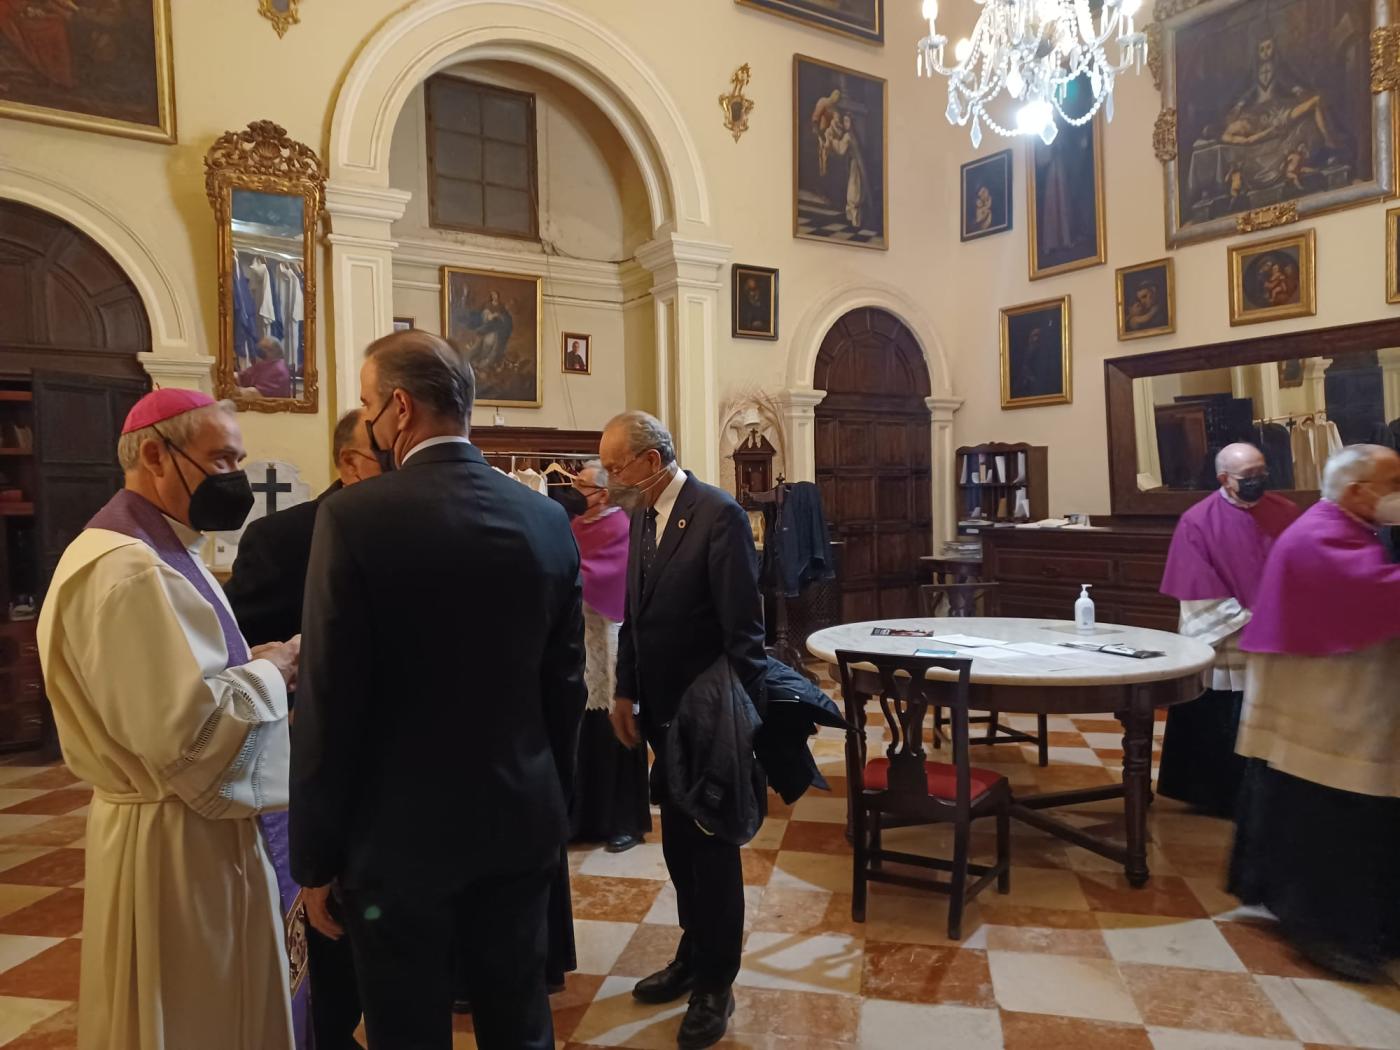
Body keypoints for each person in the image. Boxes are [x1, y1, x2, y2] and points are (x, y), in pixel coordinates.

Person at [291, 330, 586, 1050]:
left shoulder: (353, 517)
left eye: (368, 407)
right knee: (519, 1019)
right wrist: (553, 806)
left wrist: (315, 858)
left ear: (399, 408)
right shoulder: (547, 518)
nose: (368, 422)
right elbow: (565, 685)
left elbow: (330, 699)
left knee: (407, 1028)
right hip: (519, 817)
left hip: (396, 838)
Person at [37, 388, 301, 1050]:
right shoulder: (130, 569)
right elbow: (189, 739)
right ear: (155, 455)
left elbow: (176, 686)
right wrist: (277, 671)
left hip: (185, 828)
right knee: (193, 1011)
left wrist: (249, 663)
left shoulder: (161, 549)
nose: (234, 477)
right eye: (221, 460)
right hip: (176, 840)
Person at [603, 411, 765, 1050]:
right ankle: (693, 954)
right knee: (678, 848)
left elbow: (744, 635)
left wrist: (738, 725)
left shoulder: (717, 515)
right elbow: (633, 615)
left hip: (709, 720)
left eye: (615, 467)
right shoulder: (643, 516)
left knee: (713, 852)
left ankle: (717, 982)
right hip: (661, 718)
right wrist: (624, 688)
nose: (609, 480)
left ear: (650, 460)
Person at [224, 407, 380, 1050]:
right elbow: (245, 652)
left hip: (393, 770)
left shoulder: (410, 528)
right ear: (350, 462)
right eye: (386, 453)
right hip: (310, 762)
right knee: (323, 921)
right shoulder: (282, 539)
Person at [1229, 444, 1400, 981]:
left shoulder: (1338, 524)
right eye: (1394, 483)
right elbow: (1375, 595)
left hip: (1333, 696)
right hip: (1326, 707)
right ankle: (1330, 931)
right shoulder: (1320, 535)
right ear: (1358, 491)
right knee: (1333, 823)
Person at [1157, 443, 1299, 817]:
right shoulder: (1197, 521)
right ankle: (1215, 797)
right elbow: (1196, 586)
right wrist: (1252, 615)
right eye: (1248, 476)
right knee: (1221, 718)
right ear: (1224, 479)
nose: (1258, 481)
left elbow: (1302, 566)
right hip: (1228, 639)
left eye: (1261, 472)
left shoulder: (1285, 512)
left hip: (1278, 638)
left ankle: (1272, 796)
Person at [569, 460, 651, 853]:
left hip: (612, 635)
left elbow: (612, 573)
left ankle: (625, 821)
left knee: (617, 724)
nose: (573, 492)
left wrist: (573, 573)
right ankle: (583, 818)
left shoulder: (621, 525)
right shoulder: (574, 526)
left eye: (581, 486)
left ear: (602, 493)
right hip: (580, 639)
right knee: (582, 727)